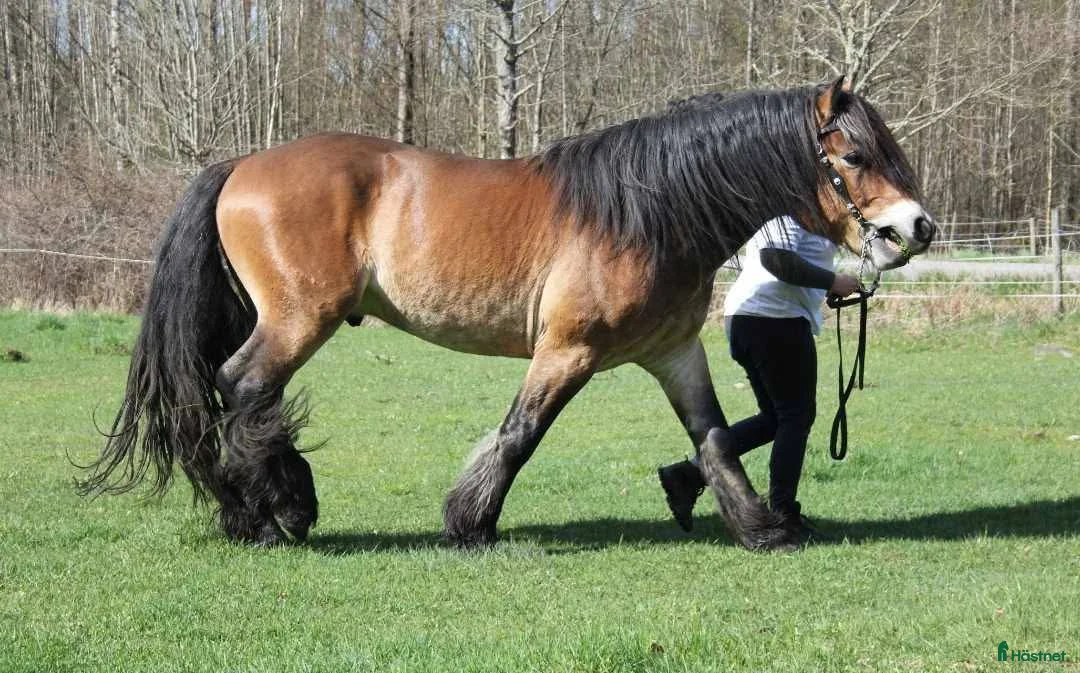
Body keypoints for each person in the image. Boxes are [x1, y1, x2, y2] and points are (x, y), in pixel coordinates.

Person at [657, 215, 860, 542]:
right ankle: (783, 514)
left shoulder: (806, 209)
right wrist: (833, 281)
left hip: (758, 318)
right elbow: (775, 259)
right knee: (796, 416)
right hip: (773, 320)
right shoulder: (788, 207)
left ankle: (689, 473)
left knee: (775, 419)